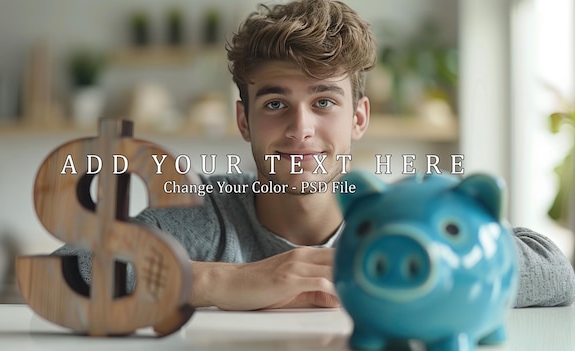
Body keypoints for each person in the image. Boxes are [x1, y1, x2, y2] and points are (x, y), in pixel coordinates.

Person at [55, 0, 575, 310]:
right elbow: (63, 273)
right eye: (275, 103)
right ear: (245, 121)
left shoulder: (404, 214)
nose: (300, 129)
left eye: (324, 101)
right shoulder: (203, 213)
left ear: (358, 119)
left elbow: (555, 272)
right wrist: (220, 279)